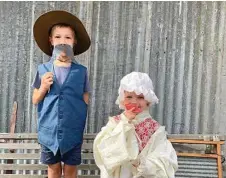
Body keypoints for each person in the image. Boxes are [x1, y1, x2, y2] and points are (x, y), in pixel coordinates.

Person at [31, 10, 91, 178]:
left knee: (70, 170)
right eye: (58, 37)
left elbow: (85, 98)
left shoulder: (81, 71)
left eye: (67, 38)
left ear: (74, 42)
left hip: (73, 132)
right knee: (53, 169)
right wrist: (43, 87)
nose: (62, 42)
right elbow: (35, 99)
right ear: (51, 41)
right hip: (49, 132)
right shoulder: (42, 70)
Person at [93, 72, 178, 178]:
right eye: (129, 97)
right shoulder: (115, 123)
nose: (134, 101)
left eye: (140, 97)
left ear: (148, 101)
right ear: (122, 100)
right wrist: (124, 124)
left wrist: (144, 164)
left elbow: (164, 157)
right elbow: (104, 149)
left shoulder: (154, 128)